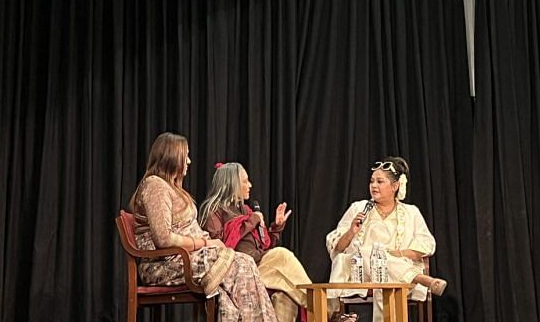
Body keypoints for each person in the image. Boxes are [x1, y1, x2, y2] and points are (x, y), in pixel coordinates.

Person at [128, 132, 277, 322]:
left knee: (242, 265)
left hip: (184, 259)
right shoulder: (155, 185)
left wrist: (212, 243)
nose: (189, 161)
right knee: (241, 263)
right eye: (186, 155)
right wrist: (204, 242)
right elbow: (163, 238)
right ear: (172, 156)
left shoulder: (173, 188)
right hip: (164, 264)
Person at [325, 156, 447, 322]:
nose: (373, 186)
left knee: (383, 272)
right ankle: (419, 278)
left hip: (395, 277)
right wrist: (351, 232)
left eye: (380, 181)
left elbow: (426, 245)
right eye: (372, 181)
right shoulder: (358, 208)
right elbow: (337, 247)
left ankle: (404, 273)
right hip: (361, 274)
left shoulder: (411, 212)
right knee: (370, 252)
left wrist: (396, 254)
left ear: (395, 186)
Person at [199, 162, 312, 322]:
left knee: (284, 297)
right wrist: (252, 220)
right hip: (238, 272)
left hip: (259, 263)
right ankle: (327, 310)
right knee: (282, 255)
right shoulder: (214, 212)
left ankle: (322, 308)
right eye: (245, 181)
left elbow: (264, 246)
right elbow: (220, 247)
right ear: (233, 183)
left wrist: (276, 228)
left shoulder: (247, 210)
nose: (250, 185)